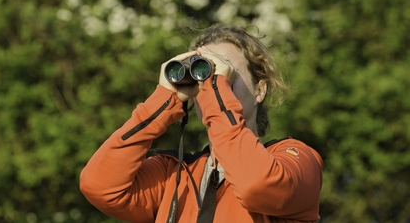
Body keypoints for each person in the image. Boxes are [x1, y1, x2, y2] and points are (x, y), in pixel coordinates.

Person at [80, 24, 323, 223]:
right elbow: (100, 186)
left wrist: (217, 89)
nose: (210, 84)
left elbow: (256, 186)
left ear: (260, 90)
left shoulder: (296, 159)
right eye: (203, 74)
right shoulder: (173, 174)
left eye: (227, 75)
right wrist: (163, 102)